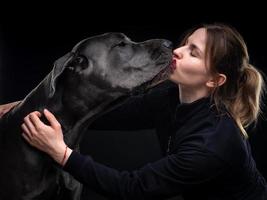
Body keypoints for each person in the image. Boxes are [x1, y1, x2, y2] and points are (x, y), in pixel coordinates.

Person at [1, 23, 266, 199]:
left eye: (193, 53)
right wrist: (20, 106)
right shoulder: (171, 96)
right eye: (186, 43)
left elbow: (132, 188)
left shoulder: (213, 144)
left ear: (214, 80)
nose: (178, 51)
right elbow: (107, 113)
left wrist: (61, 153)